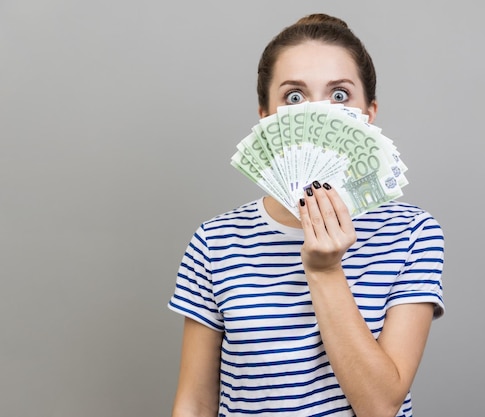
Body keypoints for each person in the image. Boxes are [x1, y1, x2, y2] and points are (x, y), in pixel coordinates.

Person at [168, 13, 445, 417]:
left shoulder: (411, 234)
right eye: (294, 97)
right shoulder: (215, 241)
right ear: (266, 117)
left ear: (368, 114)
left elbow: (380, 407)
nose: (318, 115)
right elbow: (194, 402)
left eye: (339, 96)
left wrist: (325, 271)